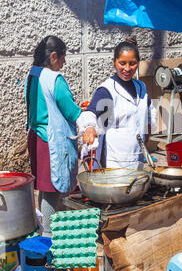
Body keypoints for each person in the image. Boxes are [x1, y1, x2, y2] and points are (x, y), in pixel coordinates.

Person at [25, 36, 82, 237]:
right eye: (63, 58)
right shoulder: (53, 79)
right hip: (50, 141)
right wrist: (86, 118)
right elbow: (70, 111)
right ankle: (49, 234)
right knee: (51, 188)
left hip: (36, 137)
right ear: (54, 56)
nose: (64, 62)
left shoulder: (33, 74)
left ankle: (46, 228)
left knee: (43, 187)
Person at [79, 37, 157, 169]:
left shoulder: (141, 87)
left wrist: (147, 131)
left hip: (137, 155)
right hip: (114, 160)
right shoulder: (107, 90)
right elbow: (90, 112)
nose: (127, 68)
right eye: (122, 63)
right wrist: (89, 128)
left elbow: (149, 110)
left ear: (138, 63)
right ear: (114, 62)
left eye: (132, 63)